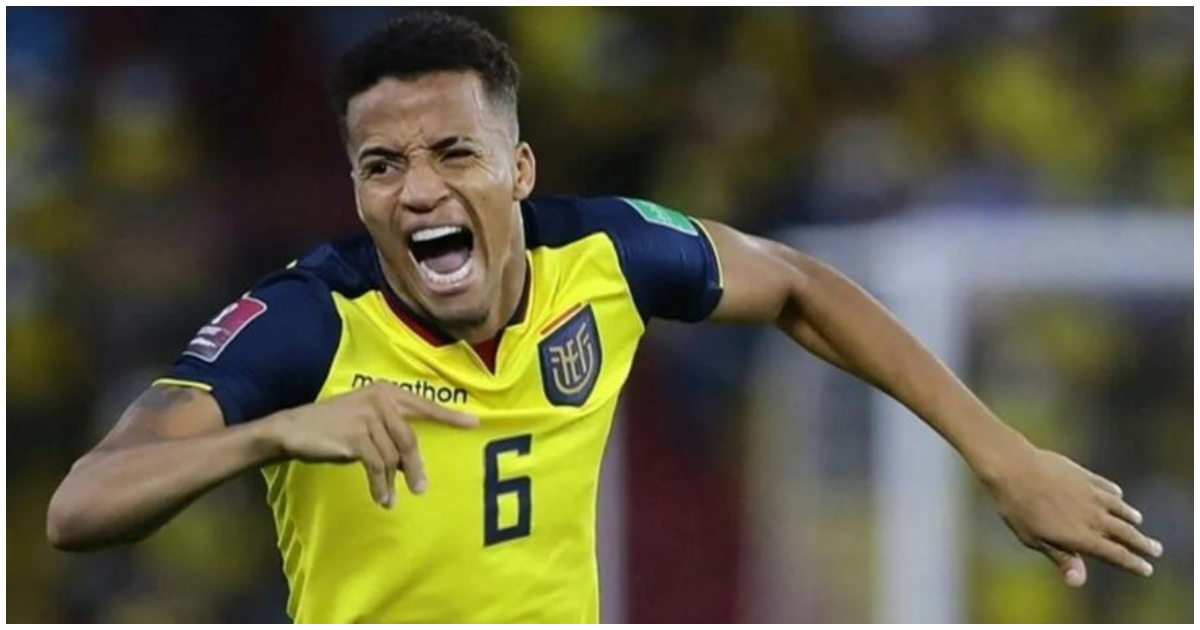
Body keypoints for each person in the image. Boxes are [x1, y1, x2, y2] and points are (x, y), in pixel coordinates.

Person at [46, 11, 1162, 623]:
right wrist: (275, 434)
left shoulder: (605, 258)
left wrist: (1003, 456)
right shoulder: (308, 322)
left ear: (519, 169)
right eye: (381, 166)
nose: (418, 190)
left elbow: (799, 285)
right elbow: (80, 506)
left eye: (453, 153)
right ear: (355, 189)